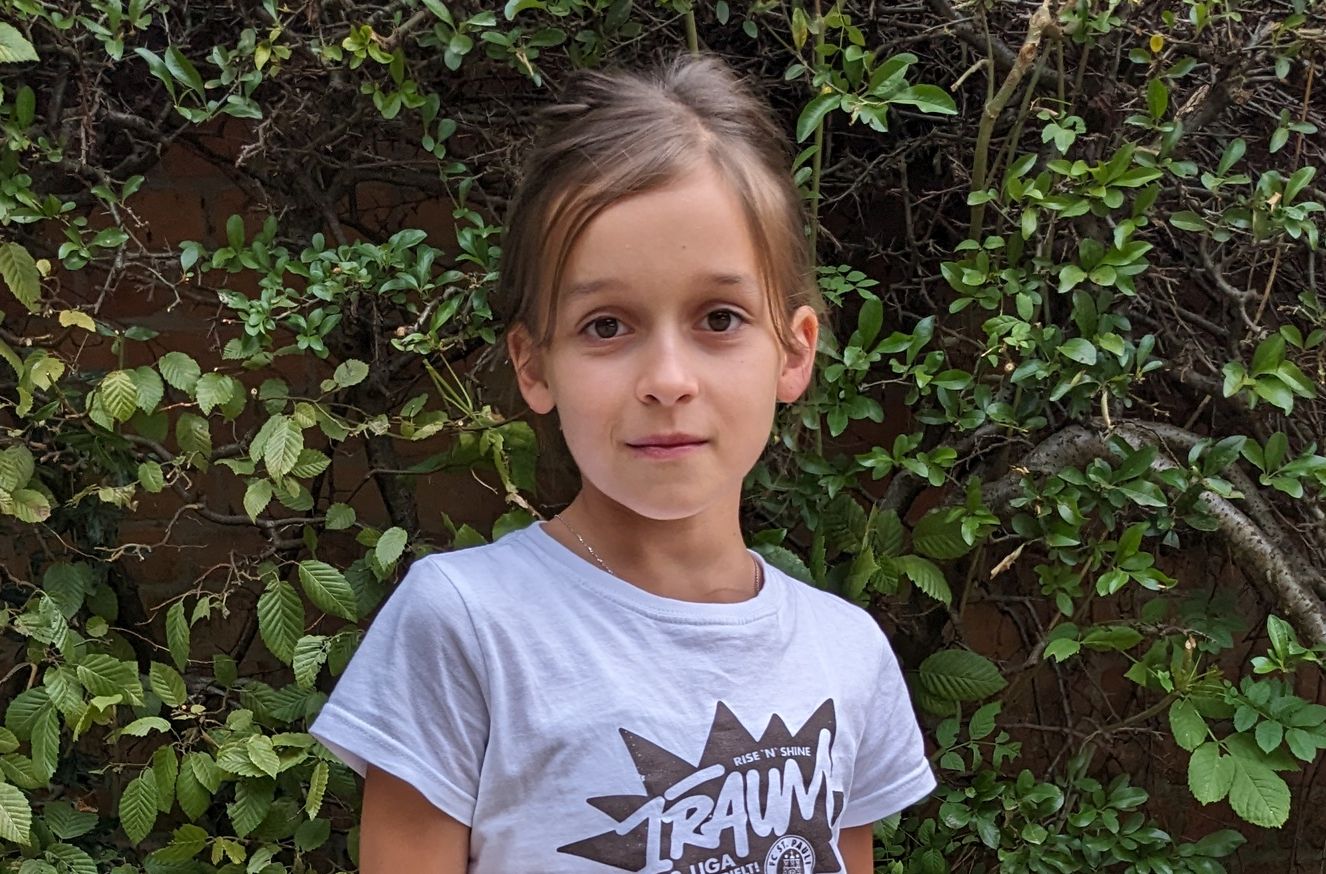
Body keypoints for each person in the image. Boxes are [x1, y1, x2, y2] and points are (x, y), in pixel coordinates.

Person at [308, 52, 936, 874]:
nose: (668, 380)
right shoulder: (465, 626)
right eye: (606, 326)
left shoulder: (845, 653)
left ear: (793, 352)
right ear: (535, 365)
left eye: (719, 318)